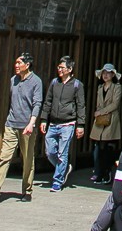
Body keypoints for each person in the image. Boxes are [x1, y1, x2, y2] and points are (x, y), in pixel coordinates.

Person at [0, 52, 43, 204]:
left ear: (27, 65)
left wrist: (31, 123)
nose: (16, 65)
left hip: (27, 126)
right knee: (4, 157)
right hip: (11, 124)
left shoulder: (36, 81)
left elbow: (37, 103)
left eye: (19, 63)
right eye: (16, 62)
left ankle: (27, 191)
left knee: (27, 159)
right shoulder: (14, 80)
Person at [39, 55, 87, 191]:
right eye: (59, 67)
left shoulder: (77, 85)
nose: (59, 69)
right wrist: (44, 119)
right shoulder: (54, 83)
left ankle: (58, 181)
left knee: (62, 153)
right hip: (53, 123)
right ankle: (63, 169)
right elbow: (48, 101)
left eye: (62, 67)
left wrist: (81, 125)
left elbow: (81, 105)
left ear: (70, 69)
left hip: (68, 124)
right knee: (49, 152)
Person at [87, 63, 122, 185]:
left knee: (106, 148)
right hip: (100, 120)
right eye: (104, 73)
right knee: (97, 147)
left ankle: (106, 173)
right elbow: (99, 103)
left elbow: (115, 104)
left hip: (111, 119)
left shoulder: (117, 87)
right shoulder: (100, 88)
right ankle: (98, 172)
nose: (105, 75)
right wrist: (99, 113)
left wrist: (101, 112)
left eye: (108, 73)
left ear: (113, 75)